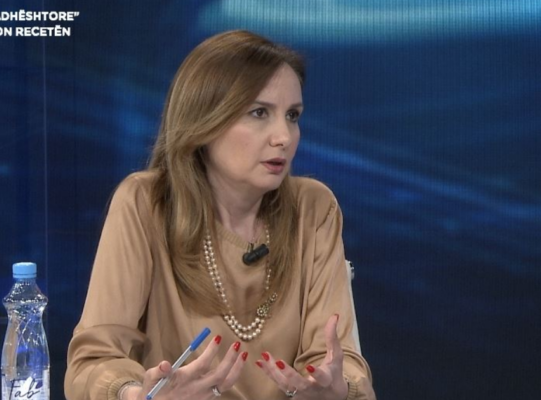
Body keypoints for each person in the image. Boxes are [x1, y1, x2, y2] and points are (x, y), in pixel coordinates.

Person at [64, 30, 376, 400]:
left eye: (292, 115)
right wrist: (139, 395)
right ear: (205, 121)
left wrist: (337, 389)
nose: (284, 136)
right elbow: (93, 361)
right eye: (259, 113)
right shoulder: (146, 204)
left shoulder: (313, 208)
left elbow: (339, 362)